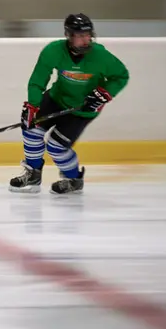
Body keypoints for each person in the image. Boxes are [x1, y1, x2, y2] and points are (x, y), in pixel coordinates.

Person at [9, 13, 129, 194]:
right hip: (57, 98)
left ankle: (74, 179)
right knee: (31, 128)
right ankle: (33, 174)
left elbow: (121, 76)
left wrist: (104, 94)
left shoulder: (101, 56)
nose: (86, 40)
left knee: (56, 146)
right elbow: (37, 80)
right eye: (80, 36)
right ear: (69, 36)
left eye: (88, 35)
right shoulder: (53, 51)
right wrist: (32, 105)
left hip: (83, 108)